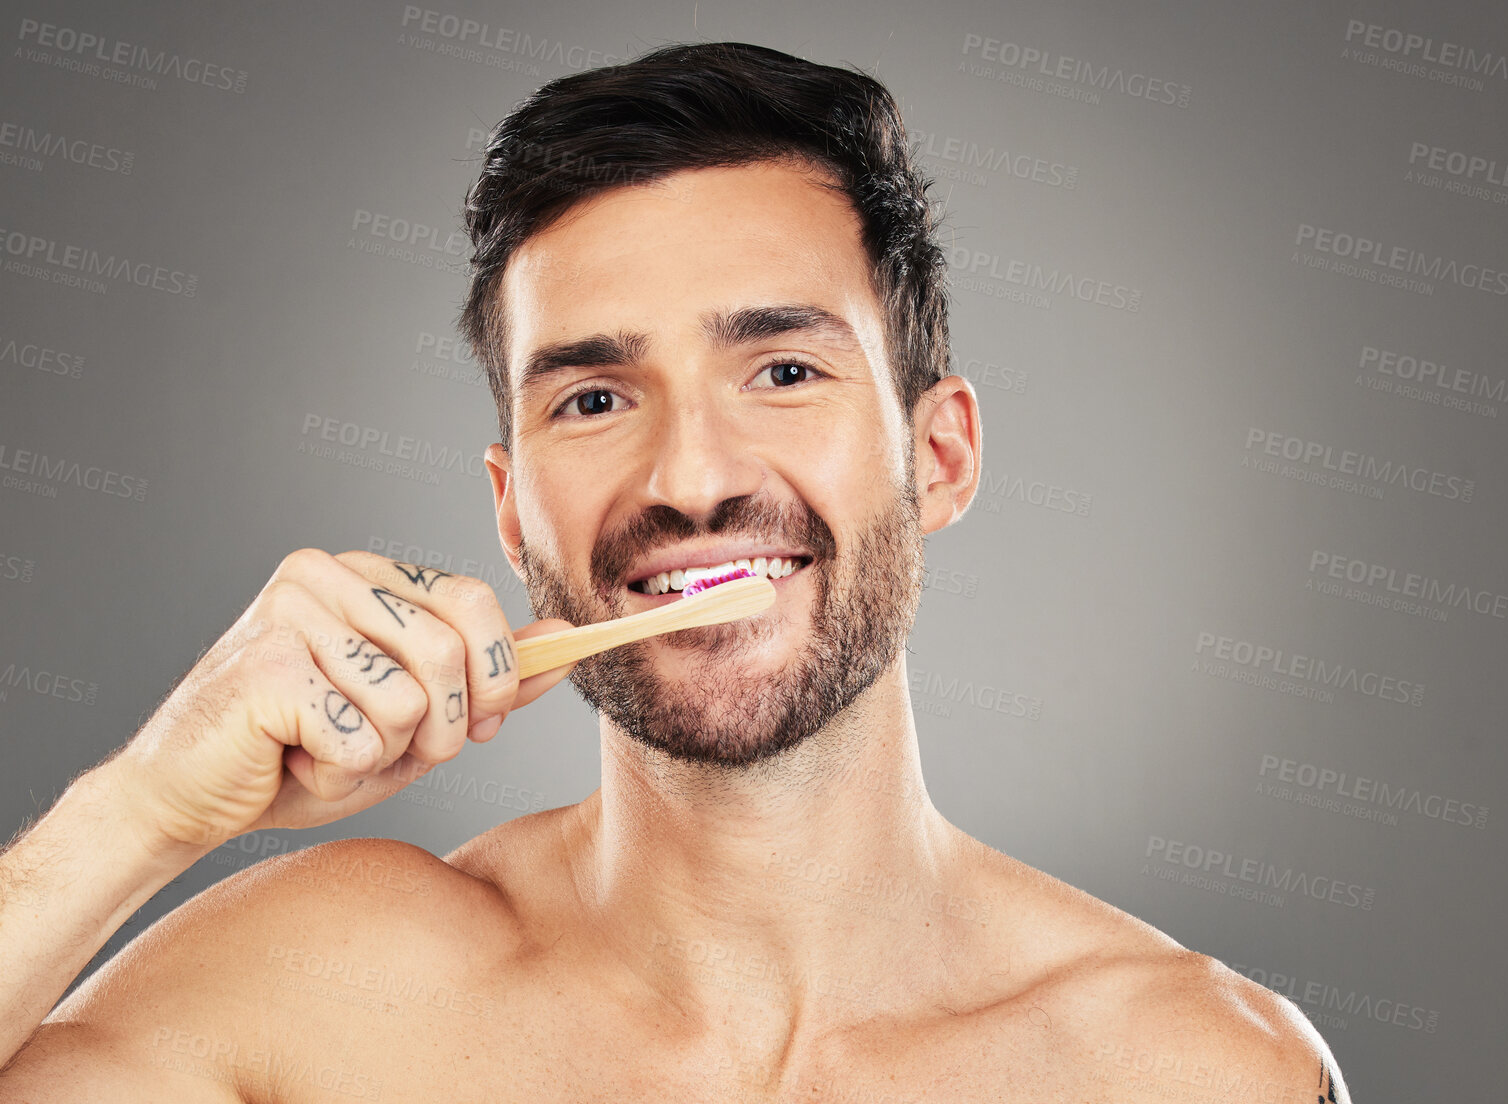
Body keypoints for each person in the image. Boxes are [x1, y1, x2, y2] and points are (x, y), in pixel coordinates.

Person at [0, 41, 1350, 1102]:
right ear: (511, 510)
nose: (691, 479)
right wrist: (140, 811)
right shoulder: (309, 992)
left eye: (780, 371)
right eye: (593, 399)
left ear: (935, 457)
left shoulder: (1194, 1069)